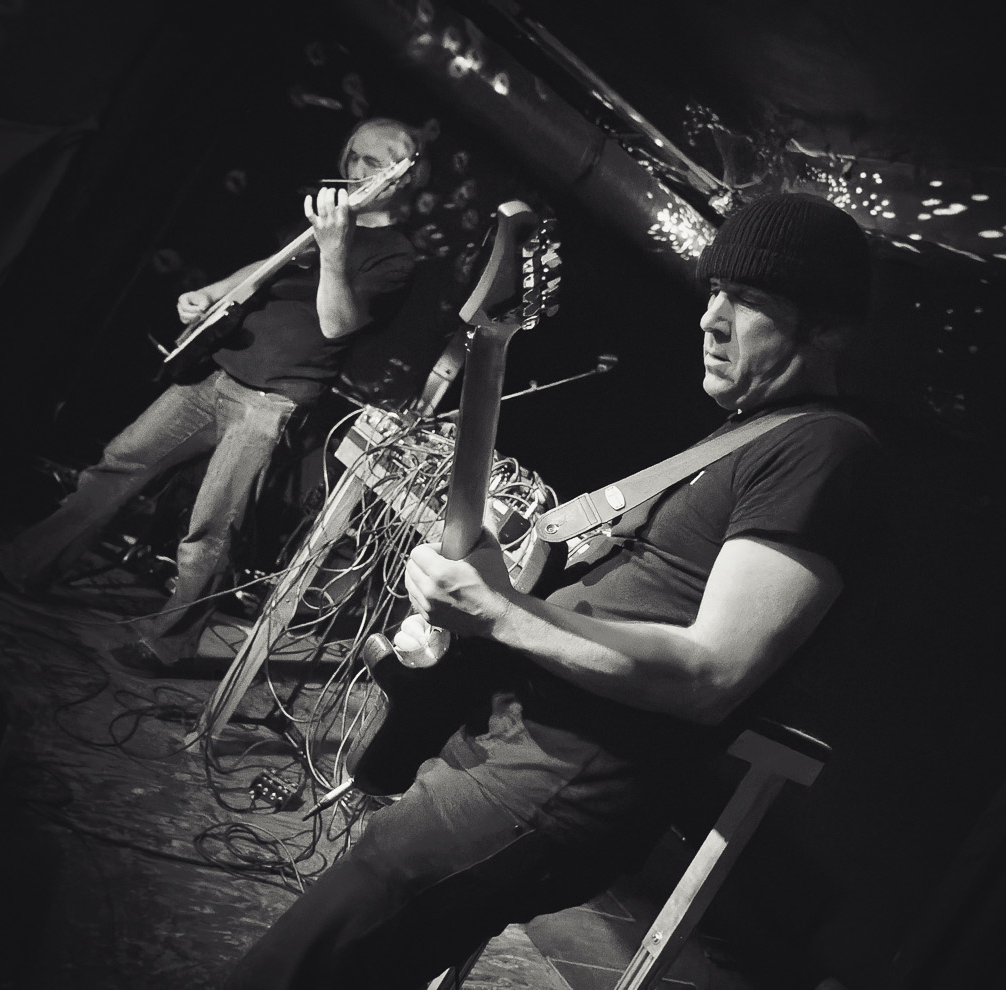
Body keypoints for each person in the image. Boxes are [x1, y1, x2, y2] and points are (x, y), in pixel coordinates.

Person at [224, 192, 883, 987]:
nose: (711, 319)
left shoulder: (827, 450)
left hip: (556, 785)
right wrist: (496, 584)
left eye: (748, 301)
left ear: (828, 328)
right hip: (512, 754)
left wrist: (501, 614)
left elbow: (713, 673)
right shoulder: (753, 434)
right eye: (714, 291)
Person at [0, 117, 423, 675]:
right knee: (115, 467)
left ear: (401, 175)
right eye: (353, 156)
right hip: (217, 373)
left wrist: (334, 247)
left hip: (274, 400)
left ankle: (165, 644)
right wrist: (211, 293)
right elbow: (270, 267)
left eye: (372, 161)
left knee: (212, 529)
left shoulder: (395, 256)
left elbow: (336, 322)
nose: (355, 169)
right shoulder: (327, 216)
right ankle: (23, 566)